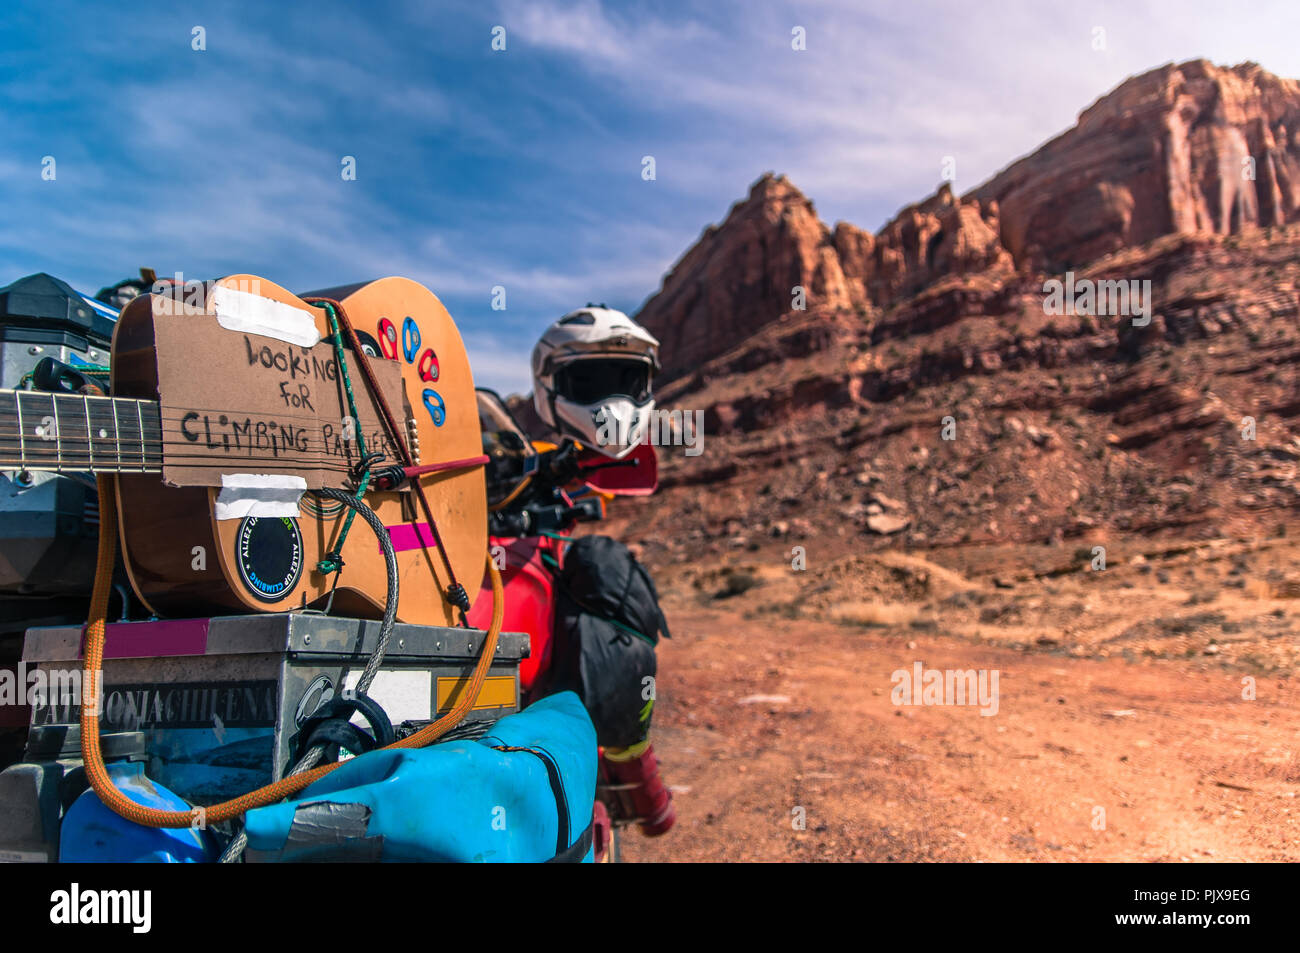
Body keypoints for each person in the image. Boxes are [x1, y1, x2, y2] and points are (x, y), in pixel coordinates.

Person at [530, 304, 660, 460]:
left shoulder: (641, 464)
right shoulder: (529, 460)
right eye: (586, 378)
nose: (617, 405)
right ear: (547, 381)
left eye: (626, 379)